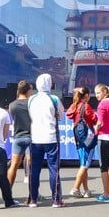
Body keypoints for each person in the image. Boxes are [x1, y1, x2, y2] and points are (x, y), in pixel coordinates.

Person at [27, 73, 63, 208]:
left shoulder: (31, 99)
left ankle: (33, 199)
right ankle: (56, 199)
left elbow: (30, 115)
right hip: (51, 138)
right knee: (54, 169)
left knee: (34, 170)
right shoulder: (54, 98)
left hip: (35, 138)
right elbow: (60, 115)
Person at [67, 87, 97, 198]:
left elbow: (69, 115)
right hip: (88, 138)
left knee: (83, 164)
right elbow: (95, 119)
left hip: (79, 138)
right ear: (87, 95)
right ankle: (75, 188)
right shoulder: (86, 106)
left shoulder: (74, 106)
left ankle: (86, 190)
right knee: (85, 165)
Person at [6, 81, 32, 187]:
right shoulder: (32, 103)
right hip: (31, 137)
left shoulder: (12, 105)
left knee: (13, 165)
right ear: (29, 91)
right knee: (31, 165)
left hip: (18, 137)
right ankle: (33, 194)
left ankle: (8, 193)